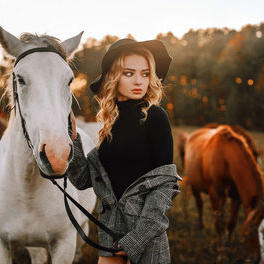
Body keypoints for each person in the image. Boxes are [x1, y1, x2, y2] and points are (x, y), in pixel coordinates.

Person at [68, 38, 181, 264]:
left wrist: (135, 240)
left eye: (145, 73)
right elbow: (81, 179)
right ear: (113, 76)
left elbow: (164, 186)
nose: (139, 81)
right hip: (110, 236)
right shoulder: (109, 125)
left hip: (146, 239)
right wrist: (73, 137)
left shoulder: (155, 117)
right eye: (129, 73)